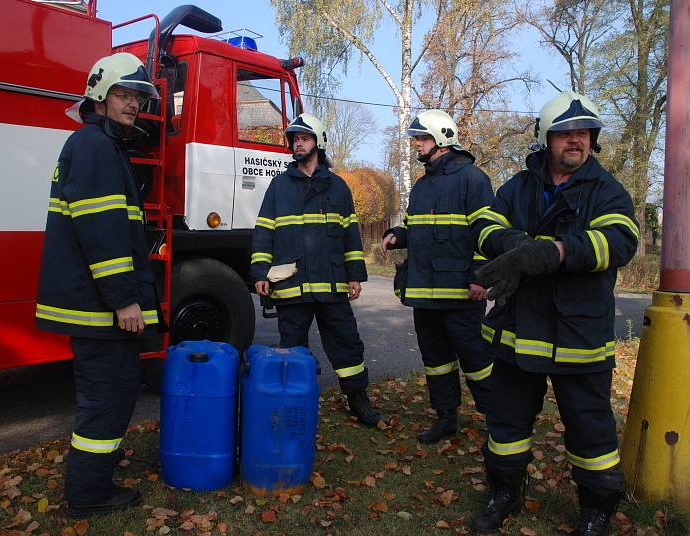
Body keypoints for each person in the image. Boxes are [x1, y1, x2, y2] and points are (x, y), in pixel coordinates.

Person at [470, 90, 638, 535]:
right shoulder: (520, 186)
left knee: (591, 433)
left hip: (579, 339)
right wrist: (512, 245)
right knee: (505, 425)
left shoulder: (607, 191)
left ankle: (596, 509)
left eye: (584, 133)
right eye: (566, 133)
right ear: (547, 138)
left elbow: (620, 241)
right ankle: (504, 490)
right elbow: (484, 221)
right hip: (516, 333)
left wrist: (557, 251)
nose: (576, 141)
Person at [35, 52, 162, 518]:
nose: (133, 105)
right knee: (107, 397)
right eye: (124, 95)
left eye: (137, 97)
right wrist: (125, 300)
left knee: (106, 395)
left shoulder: (97, 145)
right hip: (102, 308)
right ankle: (89, 493)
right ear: (101, 97)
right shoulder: (94, 147)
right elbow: (103, 235)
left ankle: (94, 474)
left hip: (96, 306)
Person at [251, 112, 384, 426]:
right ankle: (293, 406)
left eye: (304, 138)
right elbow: (263, 231)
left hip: (331, 284)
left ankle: (358, 400)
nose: (298, 143)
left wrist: (355, 275)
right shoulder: (278, 186)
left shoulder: (338, 188)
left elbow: (351, 234)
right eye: (295, 139)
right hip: (291, 285)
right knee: (292, 350)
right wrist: (259, 272)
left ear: (319, 143)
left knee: (347, 345)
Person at [381, 109, 494, 444]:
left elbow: (487, 232)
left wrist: (480, 277)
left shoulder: (473, 179)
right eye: (417, 138)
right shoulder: (422, 185)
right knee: (436, 360)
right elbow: (420, 229)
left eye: (423, 138)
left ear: (443, 139)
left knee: (476, 360)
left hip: (461, 293)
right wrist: (398, 235)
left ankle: (499, 419)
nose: (417, 144)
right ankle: (446, 417)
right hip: (424, 292)